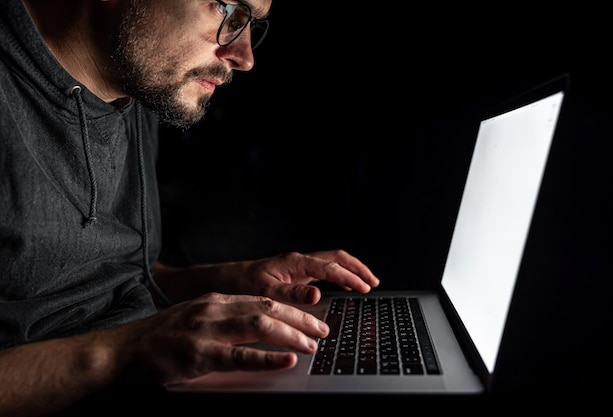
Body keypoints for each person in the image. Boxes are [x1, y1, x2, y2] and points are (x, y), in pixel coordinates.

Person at [0, 0, 380, 415]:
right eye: (224, 7)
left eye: (251, 23)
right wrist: (121, 352)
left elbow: (87, 277)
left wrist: (229, 282)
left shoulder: (136, 80)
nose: (245, 56)